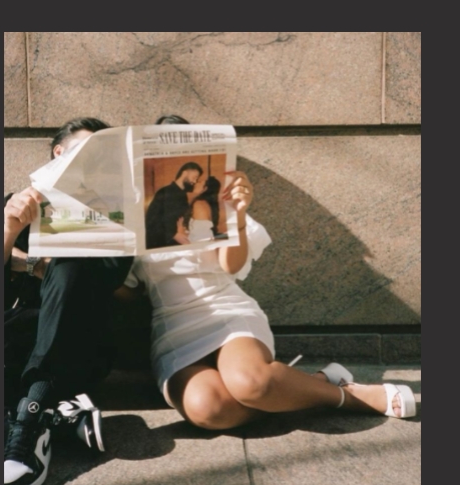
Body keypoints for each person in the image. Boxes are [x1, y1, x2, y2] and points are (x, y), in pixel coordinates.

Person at [124, 162, 417, 430]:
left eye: (198, 179)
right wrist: (102, 256)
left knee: (252, 383)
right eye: (190, 179)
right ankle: (310, 385)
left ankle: (349, 397)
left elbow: (231, 266)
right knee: (210, 409)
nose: (195, 183)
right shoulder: (132, 218)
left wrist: (238, 213)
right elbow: (126, 292)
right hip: (174, 330)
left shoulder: (210, 207)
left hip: (227, 311)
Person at [4, 117, 134, 485]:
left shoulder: (112, 221)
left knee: (70, 261)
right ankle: (58, 418)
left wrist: (30, 263)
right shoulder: (14, 203)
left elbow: (105, 285)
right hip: (11, 341)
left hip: (76, 347)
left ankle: (31, 419)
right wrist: (9, 228)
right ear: (59, 152)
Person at [144, 161, 204, 249]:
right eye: (194, 177)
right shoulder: (166, 192)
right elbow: (152, 220)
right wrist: (173, 234)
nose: (194, 181)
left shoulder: (182, 195)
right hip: (160, 245)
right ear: (185, 173)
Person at [184, 175, 222, 242]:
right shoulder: (198, 202)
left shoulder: (200, 205)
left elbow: (201, 238)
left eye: (199, 182)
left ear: (204, 189)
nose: (195, 183)